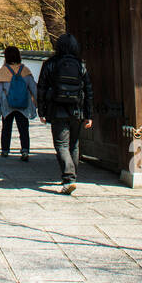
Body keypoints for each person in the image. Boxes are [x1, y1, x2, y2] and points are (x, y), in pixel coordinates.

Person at [37, 33, 94, 194]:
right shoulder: (80, 65)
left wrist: (41, 110)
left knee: (61, 145)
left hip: (57, 110)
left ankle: (69, 178)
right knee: (74, 145)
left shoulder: (50, 64)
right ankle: (72, 176)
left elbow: (41, 88)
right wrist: (89, 114)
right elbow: (88, 91)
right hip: (77, 110)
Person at [0, 45, 37, 161]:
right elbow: (33, 88)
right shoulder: (25, 70)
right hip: (23, 104)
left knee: (6, 128)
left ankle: (5, 150)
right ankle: (25, 150)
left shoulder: (3, 71)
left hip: (7, 105)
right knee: (23, 128)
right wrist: (37, 104)